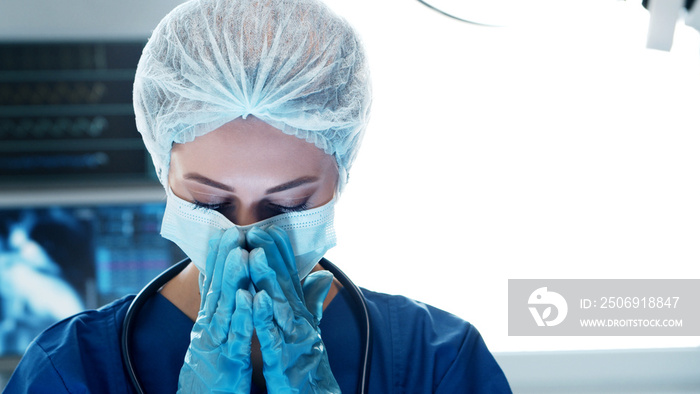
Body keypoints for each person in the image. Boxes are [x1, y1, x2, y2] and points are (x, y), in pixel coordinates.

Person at [4, 0, 511, 392]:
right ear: (164, 172)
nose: (245, 234)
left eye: (287, 206)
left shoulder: (436, 362)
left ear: (342, 176)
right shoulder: (72, 369)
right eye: (209, 203)